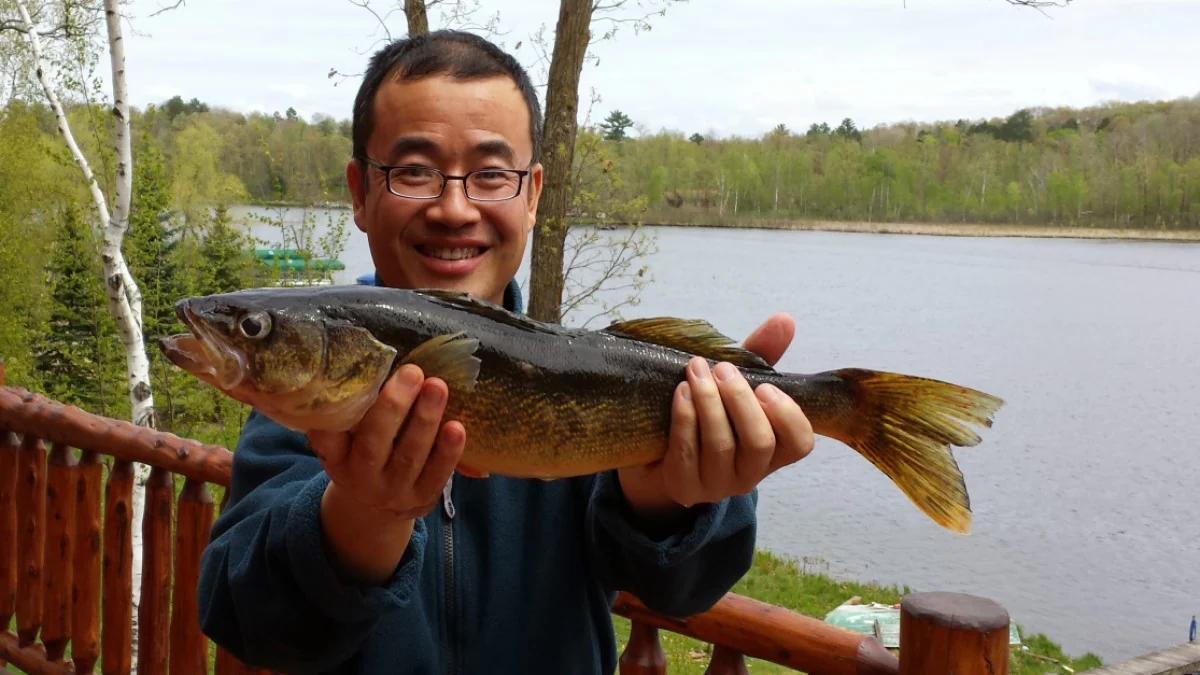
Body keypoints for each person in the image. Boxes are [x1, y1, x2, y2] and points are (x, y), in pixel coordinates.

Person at [197, 29, 815, 675]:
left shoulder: (587, 374)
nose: (454, 208)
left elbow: (681, 589)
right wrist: (359, 518)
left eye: (492, 174)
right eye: (414, 171)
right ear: (359, 191)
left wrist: (672, 499)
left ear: (534, 194)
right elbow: (246, 618)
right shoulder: (303, 414)